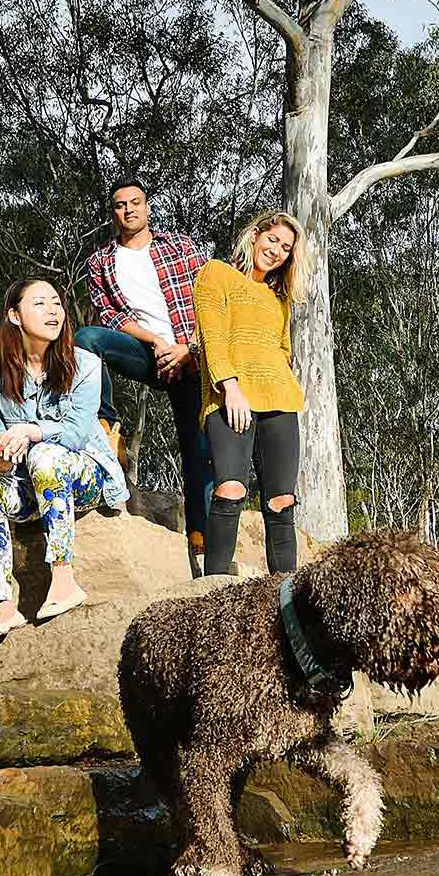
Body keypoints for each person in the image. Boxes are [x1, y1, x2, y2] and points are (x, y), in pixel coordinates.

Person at [0, 279, 130, 641]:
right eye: (40, 303)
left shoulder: (86, 365)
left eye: (56, 303)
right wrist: (0, 462)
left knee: (44, 452)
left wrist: (29, 432)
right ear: (14, 315)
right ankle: (2, 605)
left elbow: (75, 434)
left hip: (85, 477)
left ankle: (63, 580)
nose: (53, 311)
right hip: (31, 484)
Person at [75, 178, 215, 575]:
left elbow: (210, 297)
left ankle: (200, 536)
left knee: (197, 447)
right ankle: (106, 424)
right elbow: (112, 316)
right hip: (147, 352)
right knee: (88, 339)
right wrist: (156, 343)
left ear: (148, 207)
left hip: (192, 357)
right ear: (113, 213)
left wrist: (185, 347)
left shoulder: (180, 247)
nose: (128, 210)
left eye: (135, 203)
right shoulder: (101, 262)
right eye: (120, 205)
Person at [193, 209, 311, 577]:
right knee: (229, 489)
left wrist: (284, 385)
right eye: (272, 239)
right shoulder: (216, 274)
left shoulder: (279, 299)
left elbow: (283, 351)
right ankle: (211, 591)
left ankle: (285, 594)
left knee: (281, 501)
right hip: (230, 397)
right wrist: (230, 387)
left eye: (286, 248)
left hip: (279, 401)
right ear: (255, 236)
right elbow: (211, 336)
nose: (276, 250)